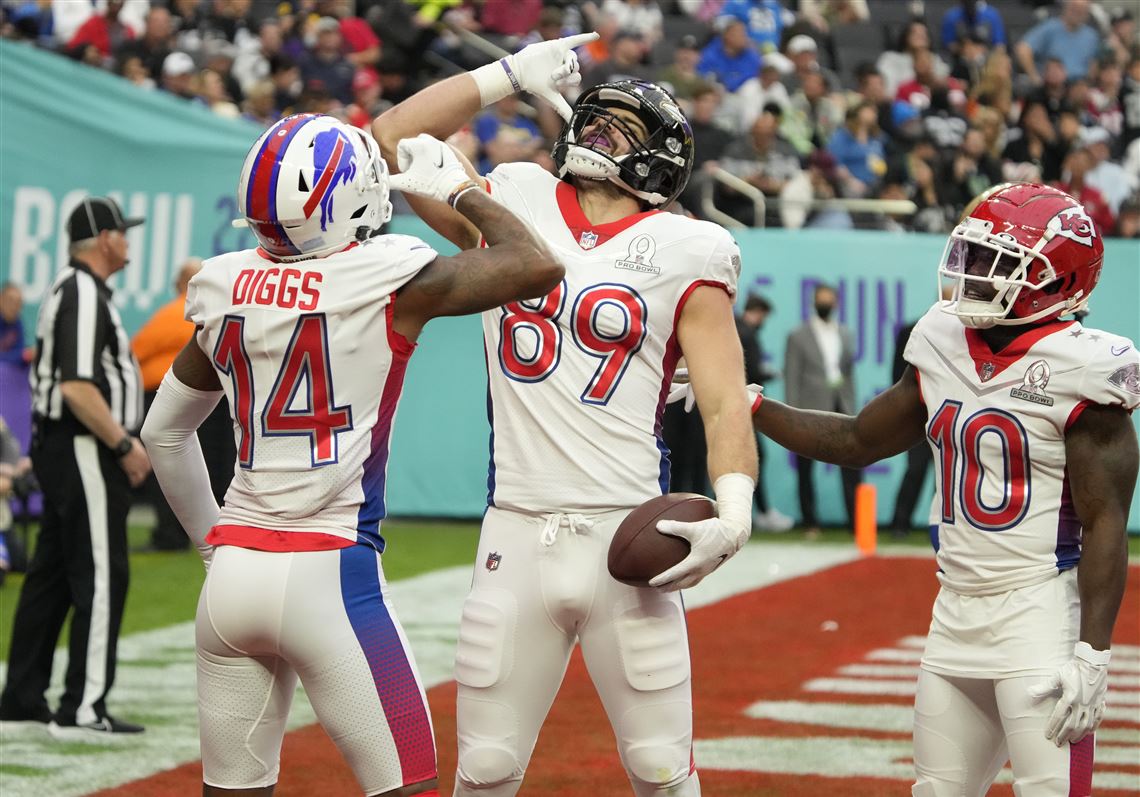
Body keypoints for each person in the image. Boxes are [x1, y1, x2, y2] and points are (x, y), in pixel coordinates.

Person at [373, 31, 758, 796]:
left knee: (662, 770)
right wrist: (505, 74)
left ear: (663, 160)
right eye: (599, 115)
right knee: (483, 771)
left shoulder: (691, 246)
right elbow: (389, 139)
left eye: (625, 128)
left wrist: (736, 512)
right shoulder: (513, 194)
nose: (600, 131)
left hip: (629, 534)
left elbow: (720, 399)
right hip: (517, 528)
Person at [140, 115, 562, 796]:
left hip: (234, 577)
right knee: (409, 785)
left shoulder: (220, 287)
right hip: (331, 574)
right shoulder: (386, 276)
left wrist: (212, 546)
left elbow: (163, 433)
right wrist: (460, 191)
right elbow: (536, 263)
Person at [743, 183, 1137, 796]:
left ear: (1060, 281)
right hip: (953, 610)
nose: (973, 273)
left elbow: (1106, 519)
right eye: (972, 255)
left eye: (997, 263)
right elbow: (857, 440)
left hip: (1039, 612)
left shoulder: (1086, 367)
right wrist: (750, 405)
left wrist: (1094, 653)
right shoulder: (939, 337)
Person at [0, 196, 151, 738]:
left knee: (53, 575)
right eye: (124, 233)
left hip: (66, 444)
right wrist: (122, 444)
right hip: (84, 443)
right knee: (102, 572)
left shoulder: (77, 291)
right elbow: (77, 385)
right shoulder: (82, 292)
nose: (129, 242)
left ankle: (21, 694)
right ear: (105, 239)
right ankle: (84, 705)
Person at [132, 257, 234, 551]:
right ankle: (212, 534)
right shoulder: (216, 312)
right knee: (213, 469)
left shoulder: (175, 314)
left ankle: (173, 535)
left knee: (172, 462)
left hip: (177, 400)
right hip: (217, 401)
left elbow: (135, 351)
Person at [783, 283, 861, 534]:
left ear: (836, 303)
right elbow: (792, 376)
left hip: (842, 404)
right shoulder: (798, 335)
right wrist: (791, 414)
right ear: (814, 302)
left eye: (830, 300)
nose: (826, 304)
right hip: (809, 407)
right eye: (822, 300)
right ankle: (810, 521)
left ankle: (856, 522)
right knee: (806, 468)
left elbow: (848, 374)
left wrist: (852, 404)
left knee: (851, 464)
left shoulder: (846, 333)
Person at [736, 294, 792, 532]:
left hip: (732, 404)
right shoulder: (747, 334)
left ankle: (754, 512)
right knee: (753, 458)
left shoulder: (734, 329)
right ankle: (759, 512)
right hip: (742, 404)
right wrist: (773, 373)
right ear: (758, 312)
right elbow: (753, 371)